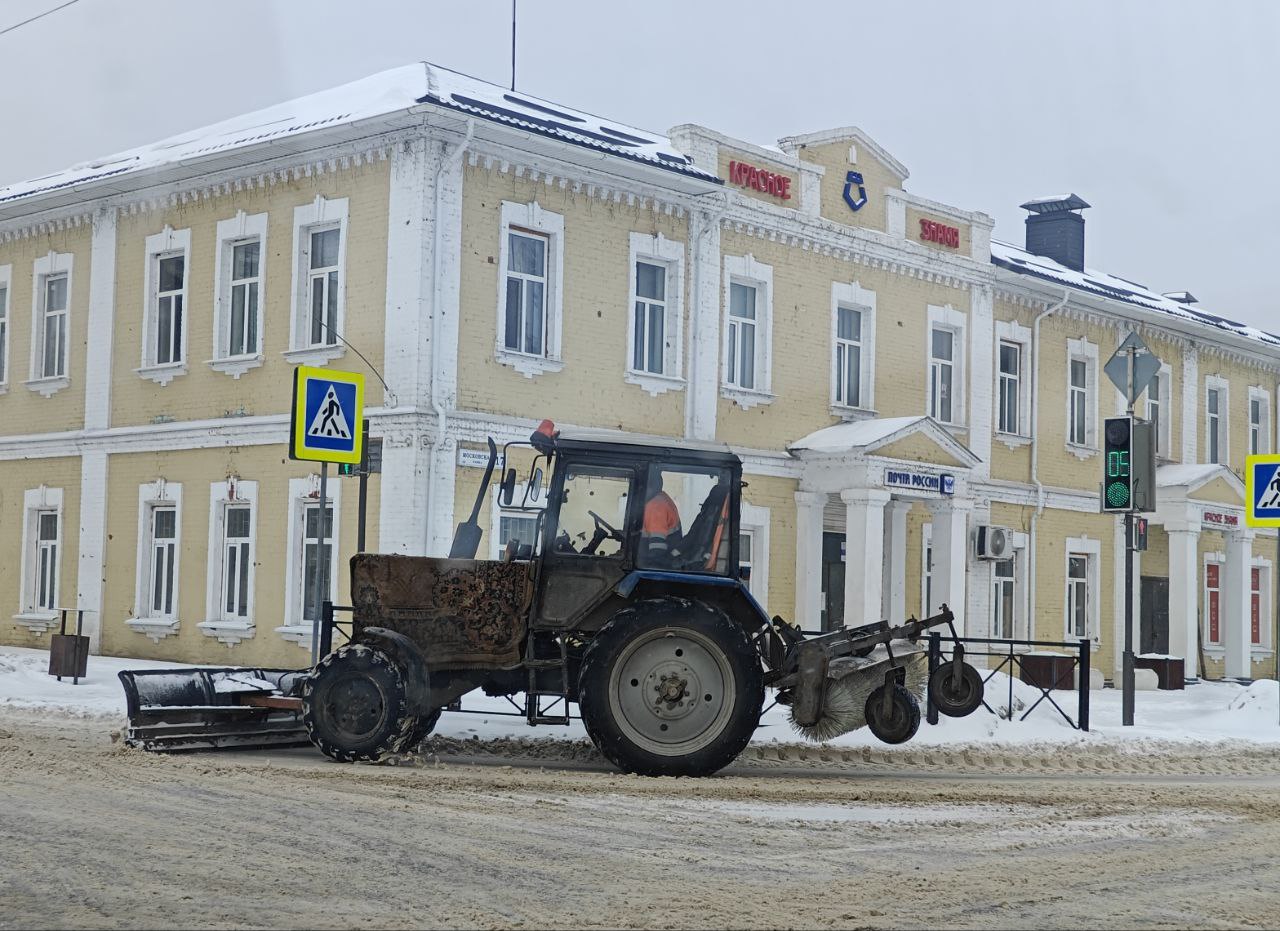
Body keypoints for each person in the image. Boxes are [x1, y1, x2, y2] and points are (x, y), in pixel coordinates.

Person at [642, 471, 682, 565]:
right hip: (668, 559)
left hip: (658, 564)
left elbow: (657, 550)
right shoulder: (662, 499)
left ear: (649, 486)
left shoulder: (656, 506)